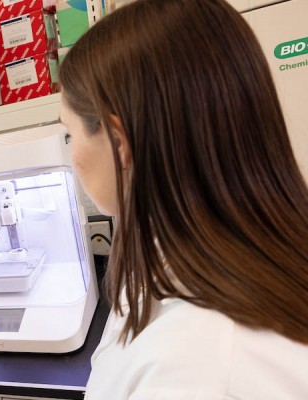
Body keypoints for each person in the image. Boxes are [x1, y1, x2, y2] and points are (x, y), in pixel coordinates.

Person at [57, 0, 308, 398]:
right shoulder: (192, 253)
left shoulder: (198, 370)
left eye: (70, 134)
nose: (70, 157)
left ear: (119, 142)